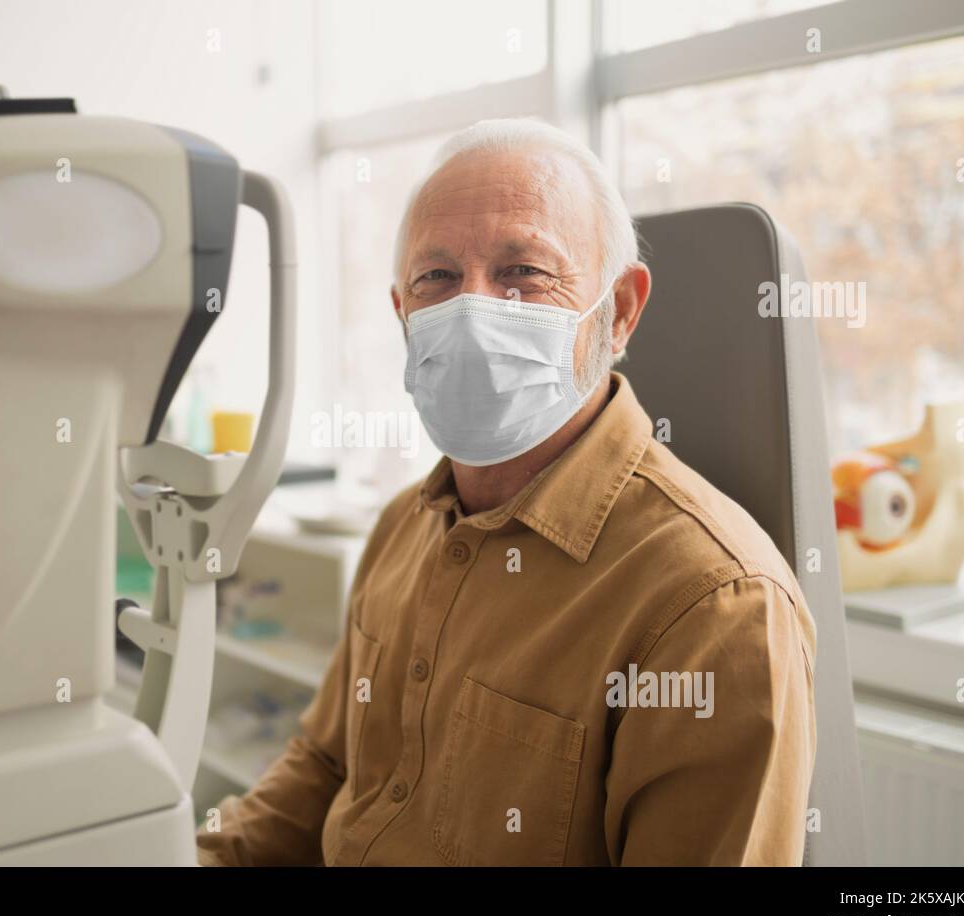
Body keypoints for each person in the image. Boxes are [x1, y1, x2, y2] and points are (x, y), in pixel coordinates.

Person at [197, 117, 817, 866]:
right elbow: (327, 768)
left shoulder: (715, 607)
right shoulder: (404, 525)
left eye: (525, 271)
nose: (475, 310)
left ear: (619, 311)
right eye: (438, 278)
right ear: (404, 314)